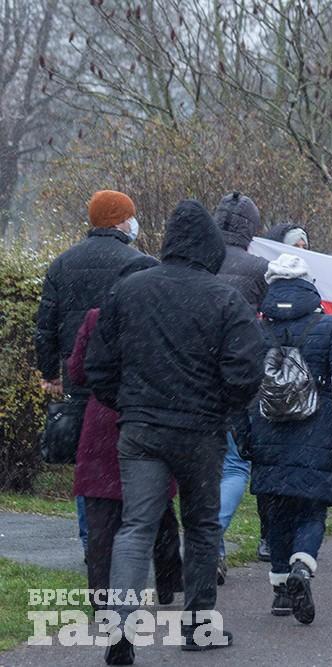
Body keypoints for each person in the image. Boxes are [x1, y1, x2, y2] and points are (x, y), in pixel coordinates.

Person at [87, 199, 265, 663]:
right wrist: (220, 407)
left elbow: (99, 367)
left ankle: (120, 625)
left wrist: (128, 404)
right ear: (210, 248)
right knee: (202, 527)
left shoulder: (130, 290)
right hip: (200, 431)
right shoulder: (225, 298)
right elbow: (246, 370)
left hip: (142, 428)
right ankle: (198, 626)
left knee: (135, 527)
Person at [249, 254, 332, 624]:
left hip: (267, 430)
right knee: (311, 508)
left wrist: (241, 431)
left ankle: (281, 590)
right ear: (308, 283)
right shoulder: (327, 326)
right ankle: (302, 567)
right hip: (317, 429)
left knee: (276, 509)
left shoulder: (255, 329)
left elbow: (237, 384)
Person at [67, 256, 182, 609]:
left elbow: (77, 371)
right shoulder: (167, 321)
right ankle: (167, 583)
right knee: (158, 507)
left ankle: (103, 601)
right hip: (150, 418)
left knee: (102, 518)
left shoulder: (96, 317)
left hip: (103, 420)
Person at [35, 190, 142, 559]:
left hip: (80, 376)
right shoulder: (141, 263)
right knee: (132, 461)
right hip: (131, 380)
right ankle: (129, 539)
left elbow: (45, 324)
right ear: (119, 220)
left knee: (89, 465)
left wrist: (50, 372)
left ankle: (91, 542)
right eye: (130, 215)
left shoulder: (64, 263)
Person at [213, 191, 273, 573]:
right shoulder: (258, 268)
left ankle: (208, 542)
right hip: (243, 370)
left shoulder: (202, 262)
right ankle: (210, 539)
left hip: (197, 370)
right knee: (235, 464)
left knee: (205, 462)